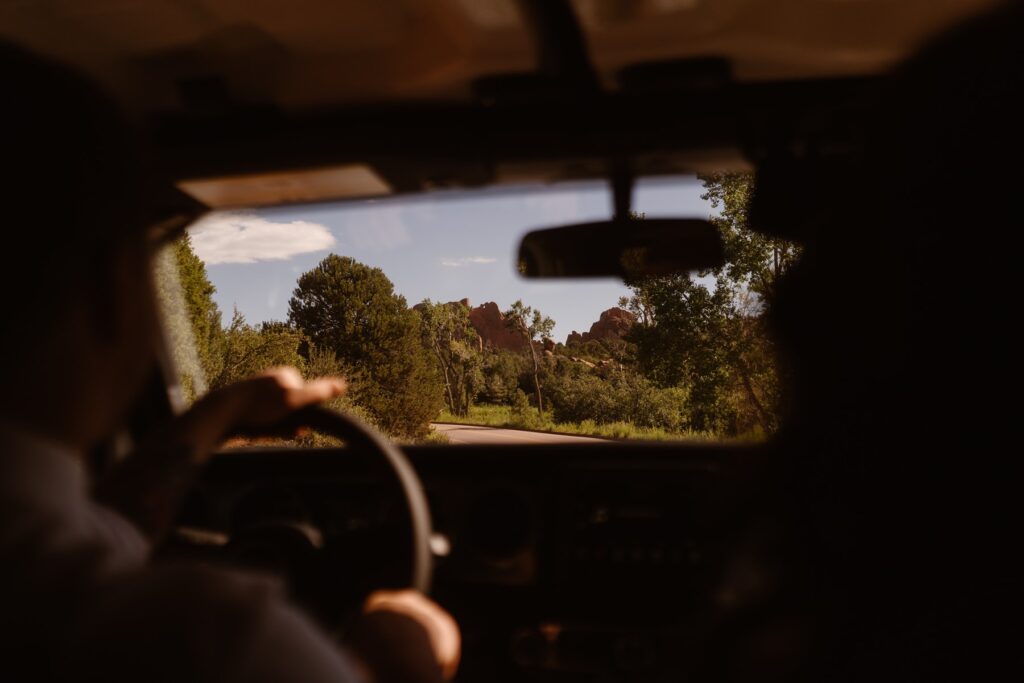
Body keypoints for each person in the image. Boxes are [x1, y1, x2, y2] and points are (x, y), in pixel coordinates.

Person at [0, 42, 459, 682]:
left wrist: (226, 409)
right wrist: (395, 664)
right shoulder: (212, 642)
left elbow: (106, 528)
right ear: (111, 292)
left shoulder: (38, 557)